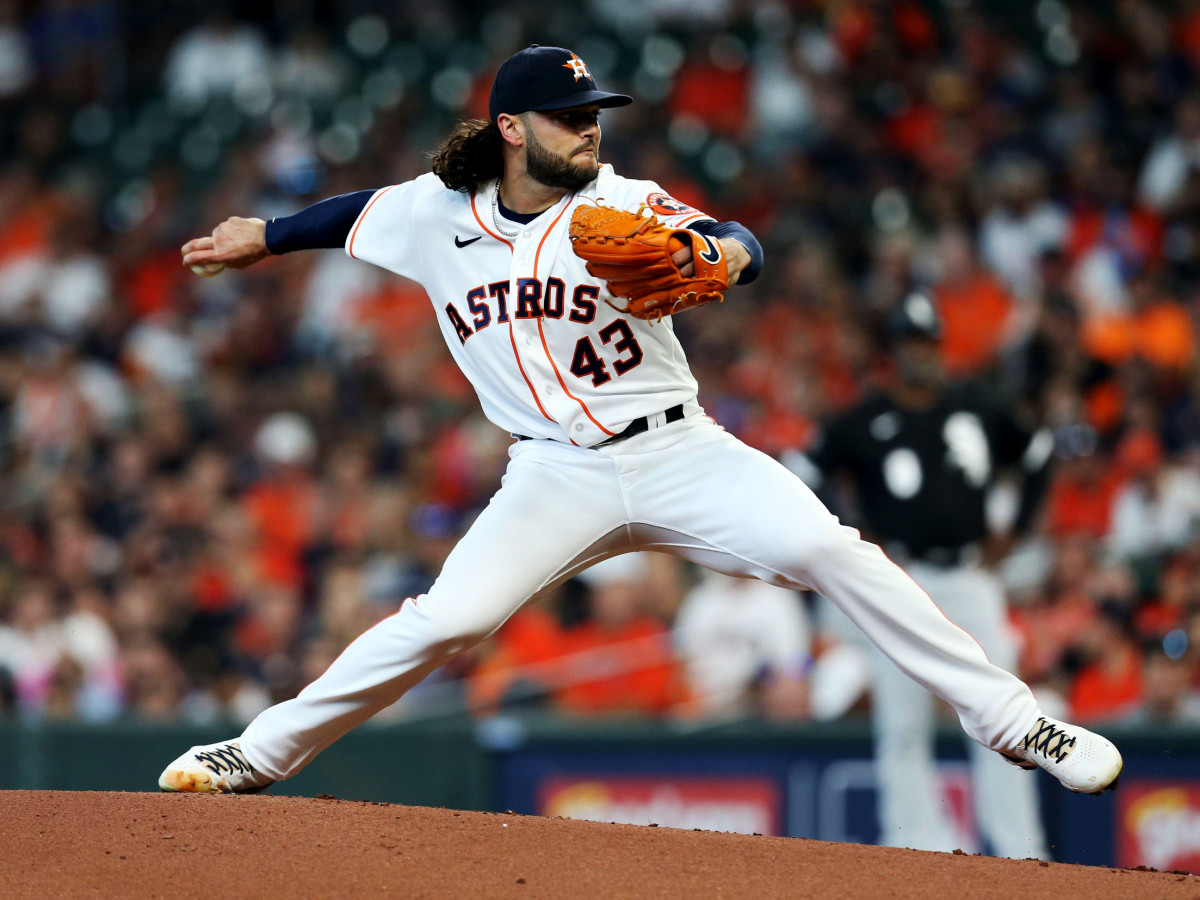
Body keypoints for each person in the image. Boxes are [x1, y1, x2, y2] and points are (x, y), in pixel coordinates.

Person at [158, 45, 1122, 803]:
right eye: (570, 118)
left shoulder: (620, 202)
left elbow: (736, 239)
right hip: (551, 474)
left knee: (833, 551)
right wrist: (268, 236)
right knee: (447, 619)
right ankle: (259, 753)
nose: (590, 131)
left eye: (595, 115)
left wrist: (726, 261)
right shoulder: (435, 212)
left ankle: (1014, 722)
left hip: (679, 449)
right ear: (509, 128)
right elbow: (356, 210)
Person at [802, 292, 1053, 858]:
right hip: (901, 578)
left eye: (928, 341)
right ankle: (912, 849)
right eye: (911, 343)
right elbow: (806, 470)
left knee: (1005, 715)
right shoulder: (863, 420)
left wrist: (1017, 532)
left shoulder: (976, 404)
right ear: (893, 351)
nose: (922, 353)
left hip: (970, 575)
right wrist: (852, 531)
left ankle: (1021, 852)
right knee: (902, 724)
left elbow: (1037, 450)